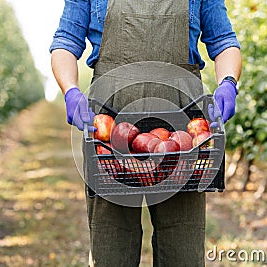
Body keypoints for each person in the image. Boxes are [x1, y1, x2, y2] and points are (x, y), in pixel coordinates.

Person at [50, 0, 241, 266]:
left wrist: (228, 82)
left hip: (181, 132)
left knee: (181, 246)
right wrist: (70, 89)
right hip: (111, 130)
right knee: (111, 245)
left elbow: (224, 42)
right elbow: (65, 42)